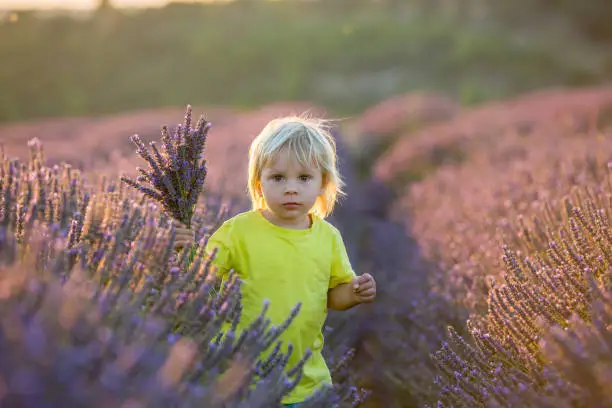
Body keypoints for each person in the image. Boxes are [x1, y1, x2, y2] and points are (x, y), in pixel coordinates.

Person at [174, 115, 376, 407]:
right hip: (245, 379)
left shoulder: (328, 237)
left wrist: (354, 292)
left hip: (308, 380)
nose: (290, 188)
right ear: (259, 184)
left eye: (304, 178)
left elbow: (333, 296)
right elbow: (202, 280)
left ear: (323, 183)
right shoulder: (237, 232)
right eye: (278, 178)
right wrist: (185, 250)